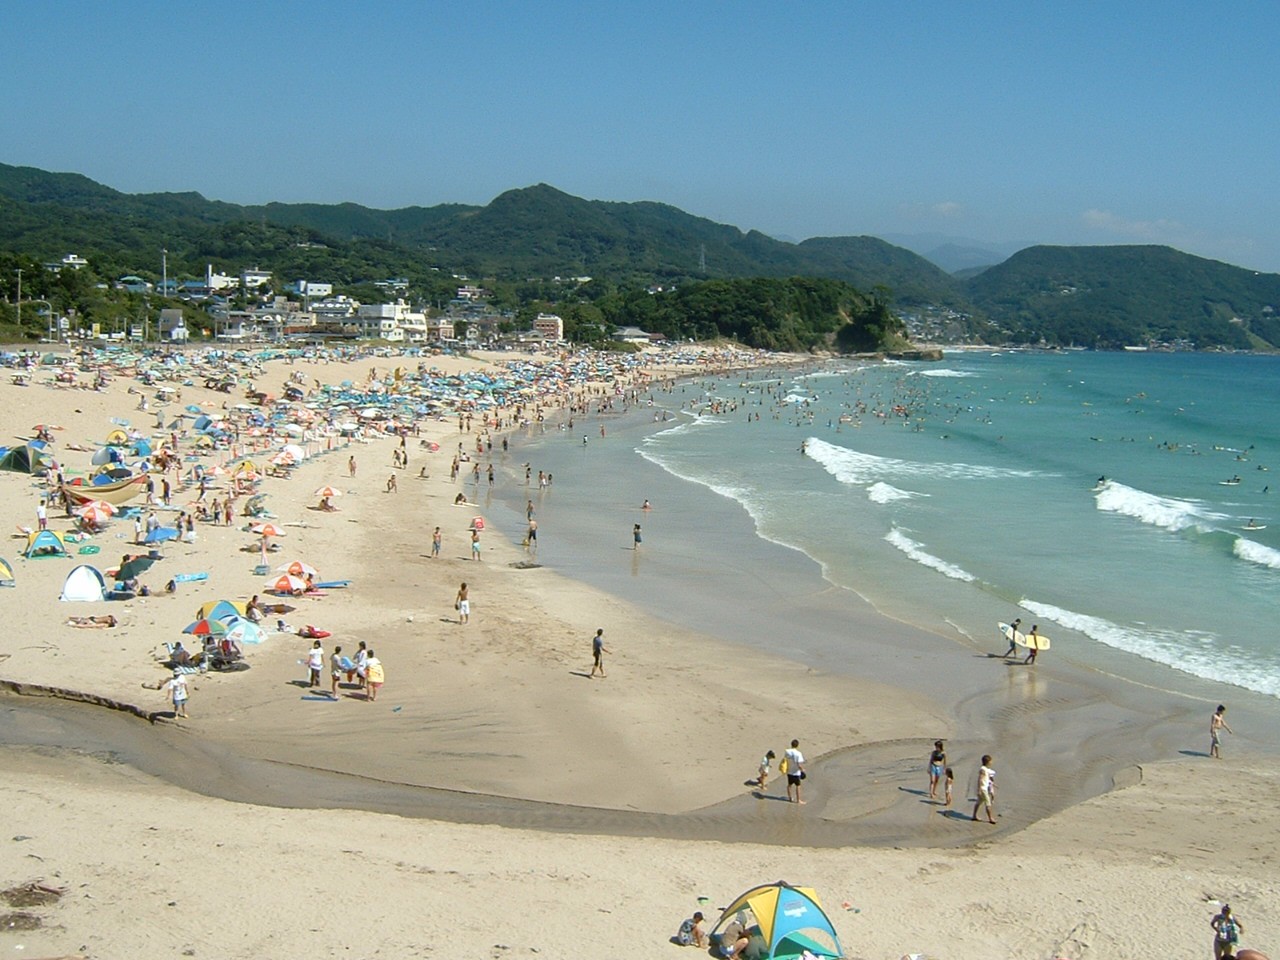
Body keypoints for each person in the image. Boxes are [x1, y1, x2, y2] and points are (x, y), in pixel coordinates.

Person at [972, 754, 996, 823]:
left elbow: (986, 778)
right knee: (988, 803)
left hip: (984, 788)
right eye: (990, 761)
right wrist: (979, 789)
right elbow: (980, 779)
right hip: (983, 789)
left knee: (978, 802)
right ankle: (990, 818)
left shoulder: (985, 769)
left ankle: (974, 815)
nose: (991, 763)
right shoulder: (983, 769)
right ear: (988, 762)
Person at [784, 739, 806, 804]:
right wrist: (802, 769)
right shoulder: (798, 754)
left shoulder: (787, 751)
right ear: (797, 745)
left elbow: (785, 759)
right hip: (796, 772)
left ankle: (790, 798)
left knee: (789, 785)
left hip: (789, 771)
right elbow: (799, 764)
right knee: (798, 786)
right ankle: (798, 800)